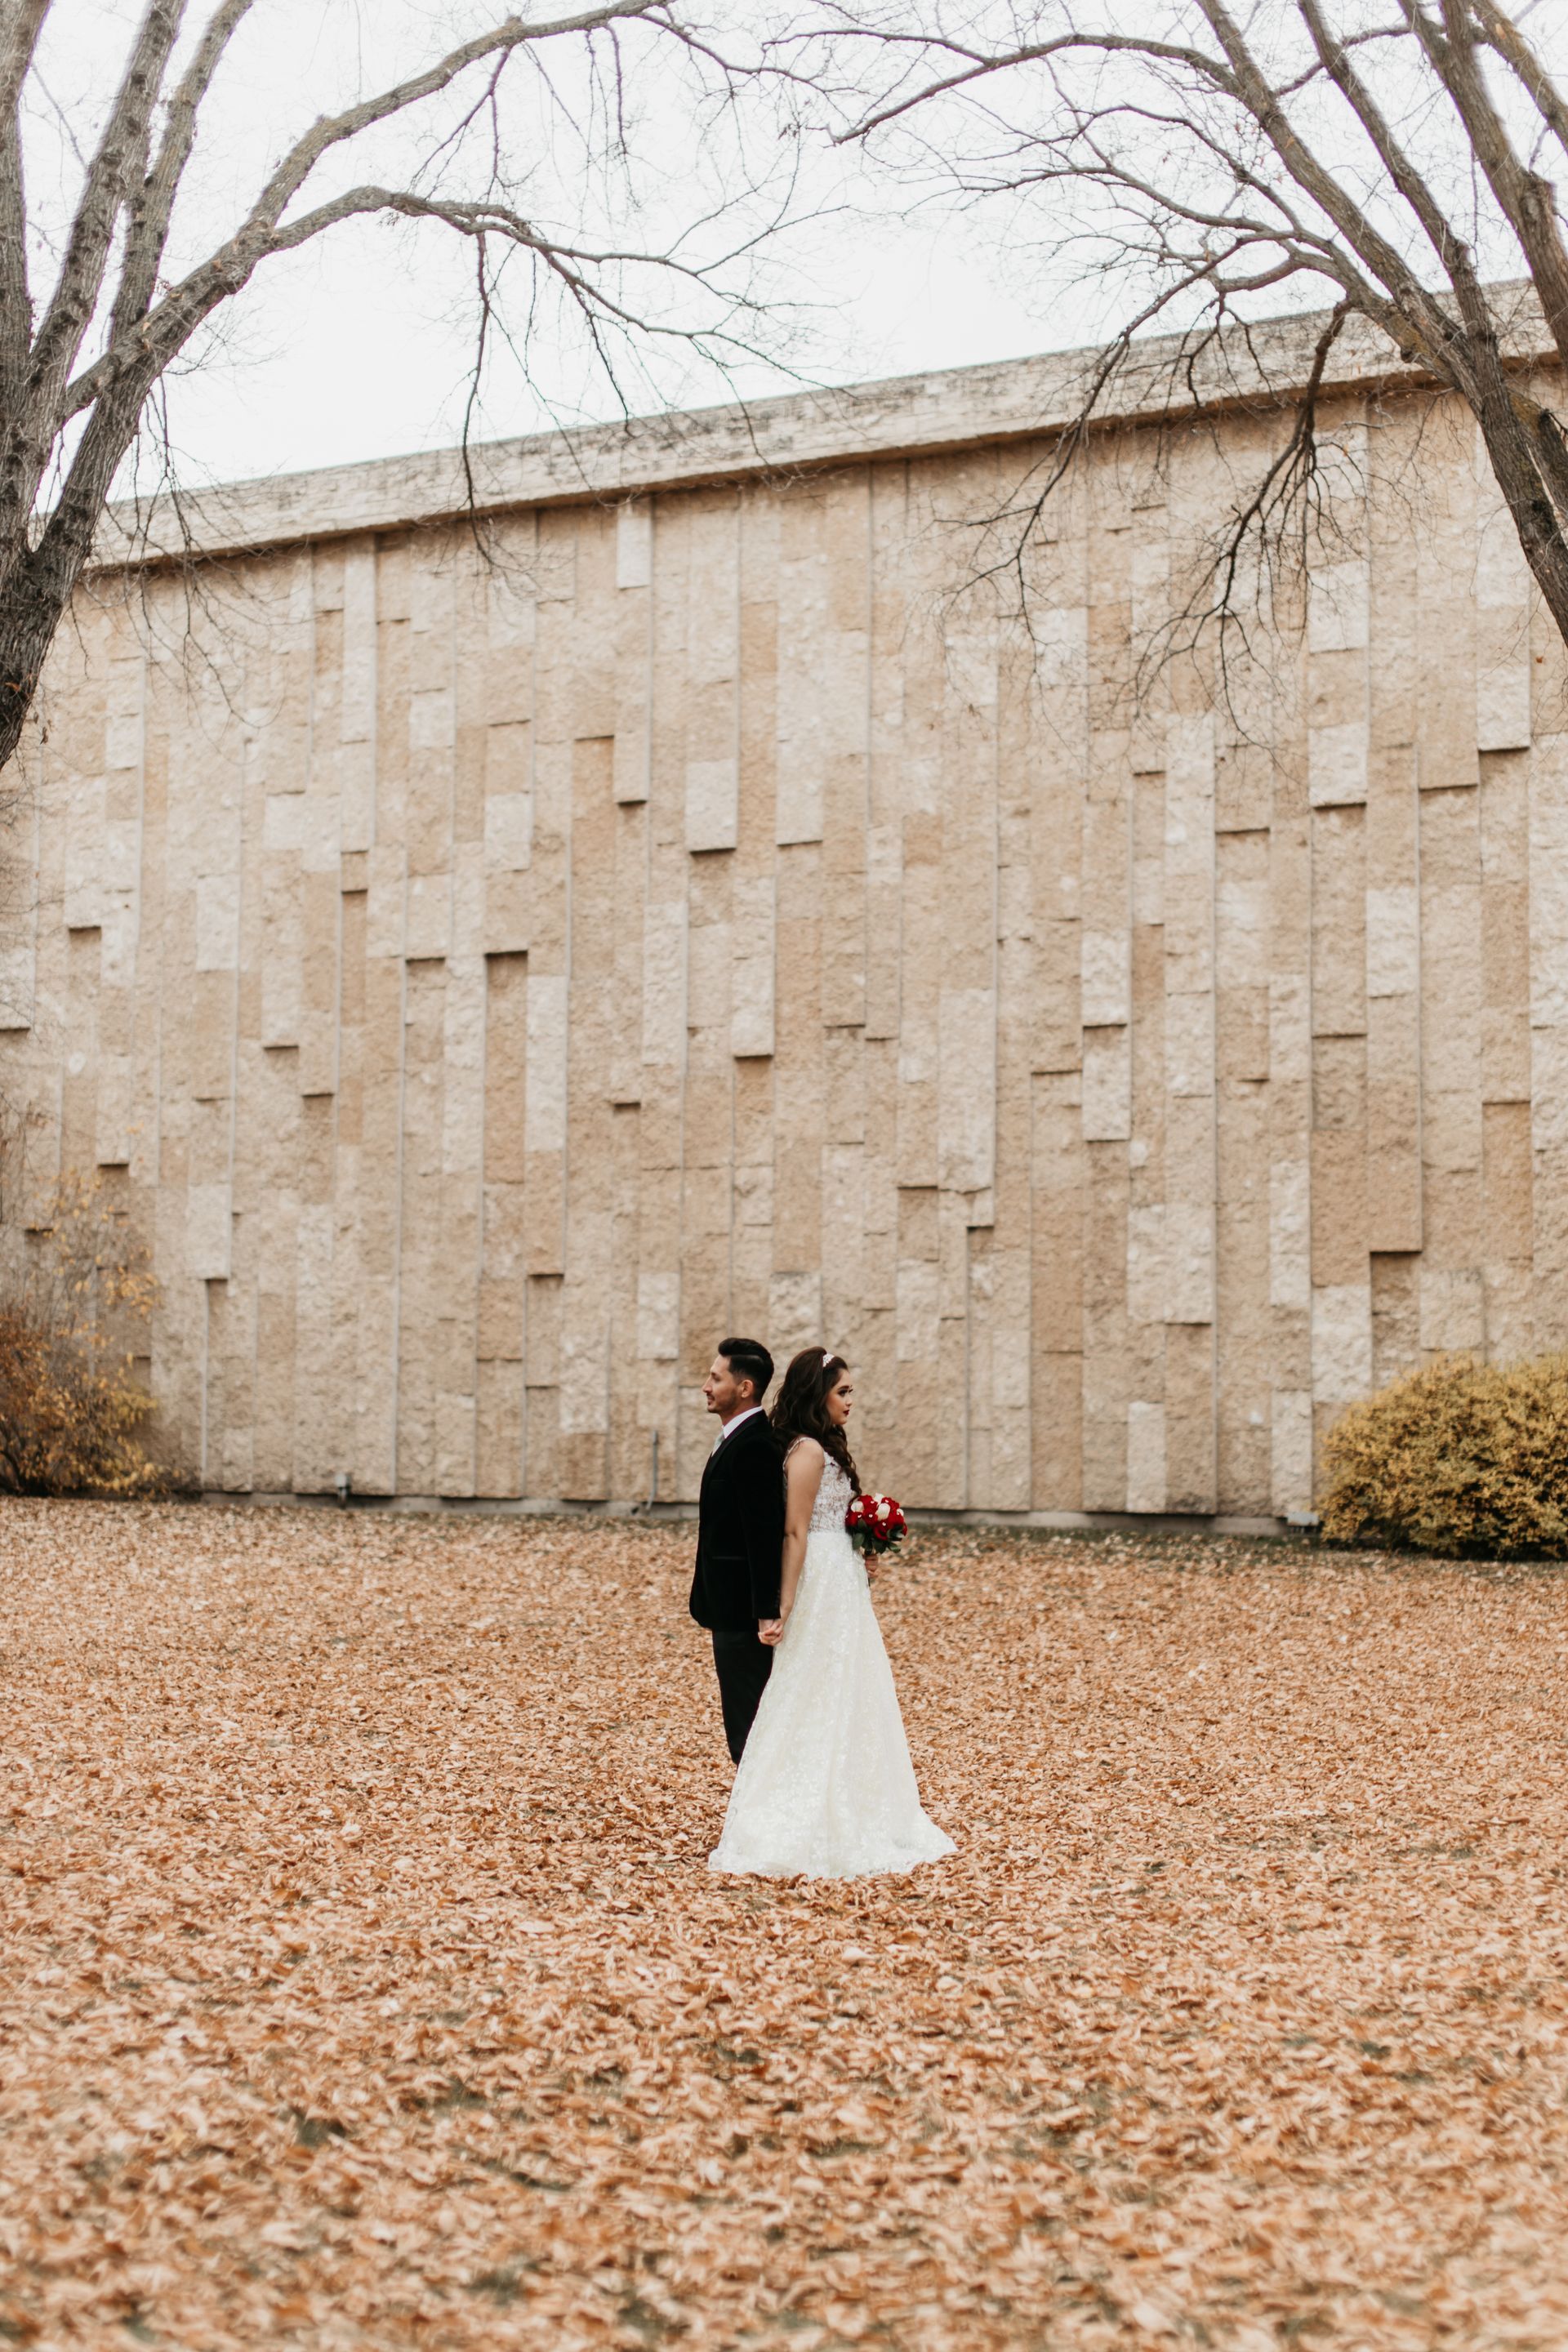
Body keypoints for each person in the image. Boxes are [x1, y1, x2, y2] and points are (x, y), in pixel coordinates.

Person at [709, 1348, 954, 1880]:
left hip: (840, 1580)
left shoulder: (826, 1448)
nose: (850, 1402)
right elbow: (794, 1531)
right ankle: (794, 1810)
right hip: (817, 1582)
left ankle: (854, 1799)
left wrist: (863, 1539)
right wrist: (784, 1605)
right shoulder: (806, 1452)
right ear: (817, 1393)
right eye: (842, 1392)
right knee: (807, 1688)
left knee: (848, 1687)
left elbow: (826, 1520)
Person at [689, 1338, 786, 1764]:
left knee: (748, 1724)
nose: (706, 1386)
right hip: (728, 1607)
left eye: (715, 1377)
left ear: (745, 1388)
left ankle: (760, 1822)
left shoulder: (754, 1447)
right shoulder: (734, 1439)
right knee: (742, 1720)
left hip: (744, 1616)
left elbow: (764, 1536)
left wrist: (766, 1611)